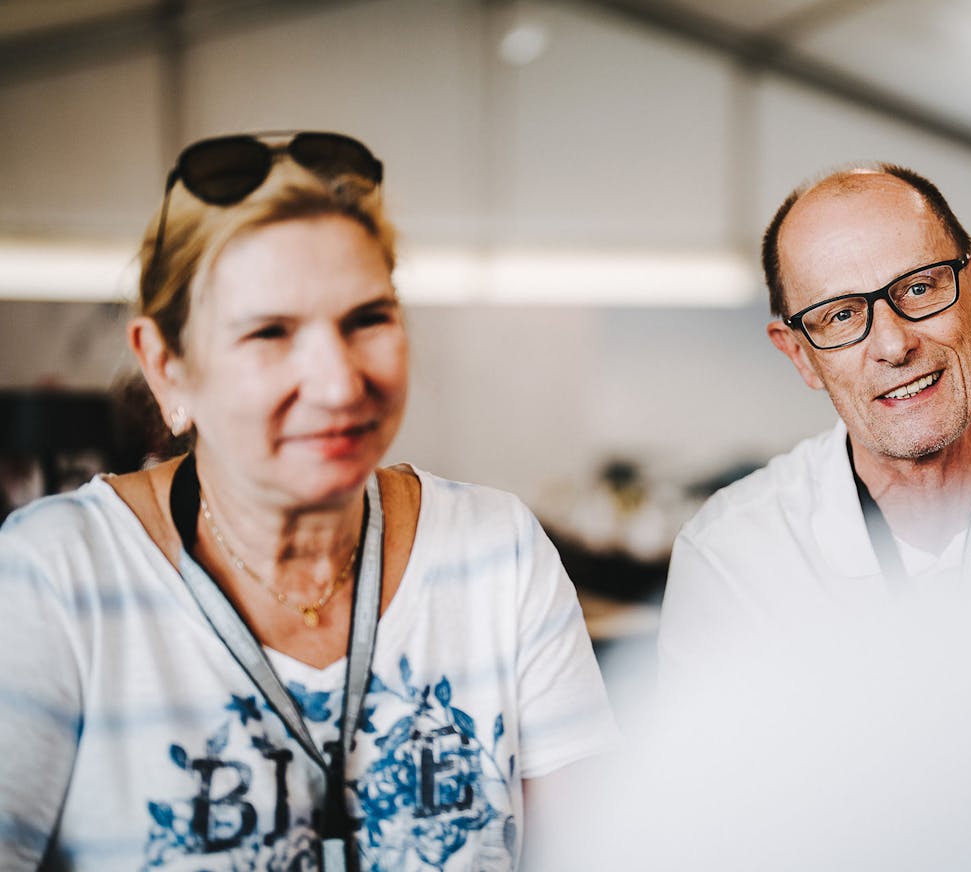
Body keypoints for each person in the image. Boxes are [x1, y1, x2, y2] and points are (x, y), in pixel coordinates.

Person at [0, 132, 615, 871]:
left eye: (367, 319)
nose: (337, 383)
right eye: (270, 332)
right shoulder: (54, 578)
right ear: (167, 367)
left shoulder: (497, 552)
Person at [658, 162, 971, 686]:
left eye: (919, 289)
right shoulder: (733, 563)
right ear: (800, 357)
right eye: (840, 316)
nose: (893, 344)